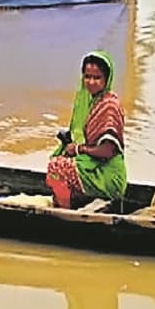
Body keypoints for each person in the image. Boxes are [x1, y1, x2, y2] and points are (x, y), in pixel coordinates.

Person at [46, 50, 128, 209]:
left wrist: (78, 149)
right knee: (59, 162)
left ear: (107, 79)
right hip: (93, 166)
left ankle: (64, 213)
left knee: (57, 167)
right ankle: (72, 201)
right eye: (87, 77)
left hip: (107, 175)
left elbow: (108, 150)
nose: (91, 82)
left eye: (97, 78)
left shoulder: (109, 106)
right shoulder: (90, 102)